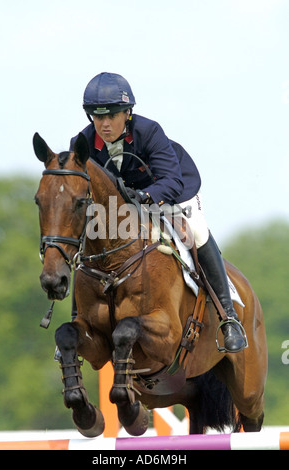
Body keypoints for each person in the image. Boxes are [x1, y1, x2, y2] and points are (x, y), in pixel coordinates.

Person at [70, 72, 246, 353]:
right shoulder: (82, 142)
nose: (104, 124)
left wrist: (144, 198)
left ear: (127, 113)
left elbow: (172, 180)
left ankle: (229, 318)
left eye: (112, 115)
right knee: (87, 242)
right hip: (122, 207)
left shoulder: (148, 131)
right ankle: (77, 320)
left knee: (197, 230)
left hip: (170, 190)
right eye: (96, 116)